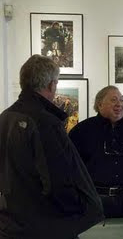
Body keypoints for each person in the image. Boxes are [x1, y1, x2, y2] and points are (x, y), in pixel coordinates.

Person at [0, 55, 104, 239]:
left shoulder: (5, 117)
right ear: (51, 85)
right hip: (45, 225)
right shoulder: (45, 122)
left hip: (12, 223)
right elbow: (58, 180)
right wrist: (79, 209)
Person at [69, 85, 123, 218]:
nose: (119, 104)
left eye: (121, 100)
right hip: (95, 201)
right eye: (114, 100)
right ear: (99, 104)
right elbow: (70, 166)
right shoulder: (82, 131)